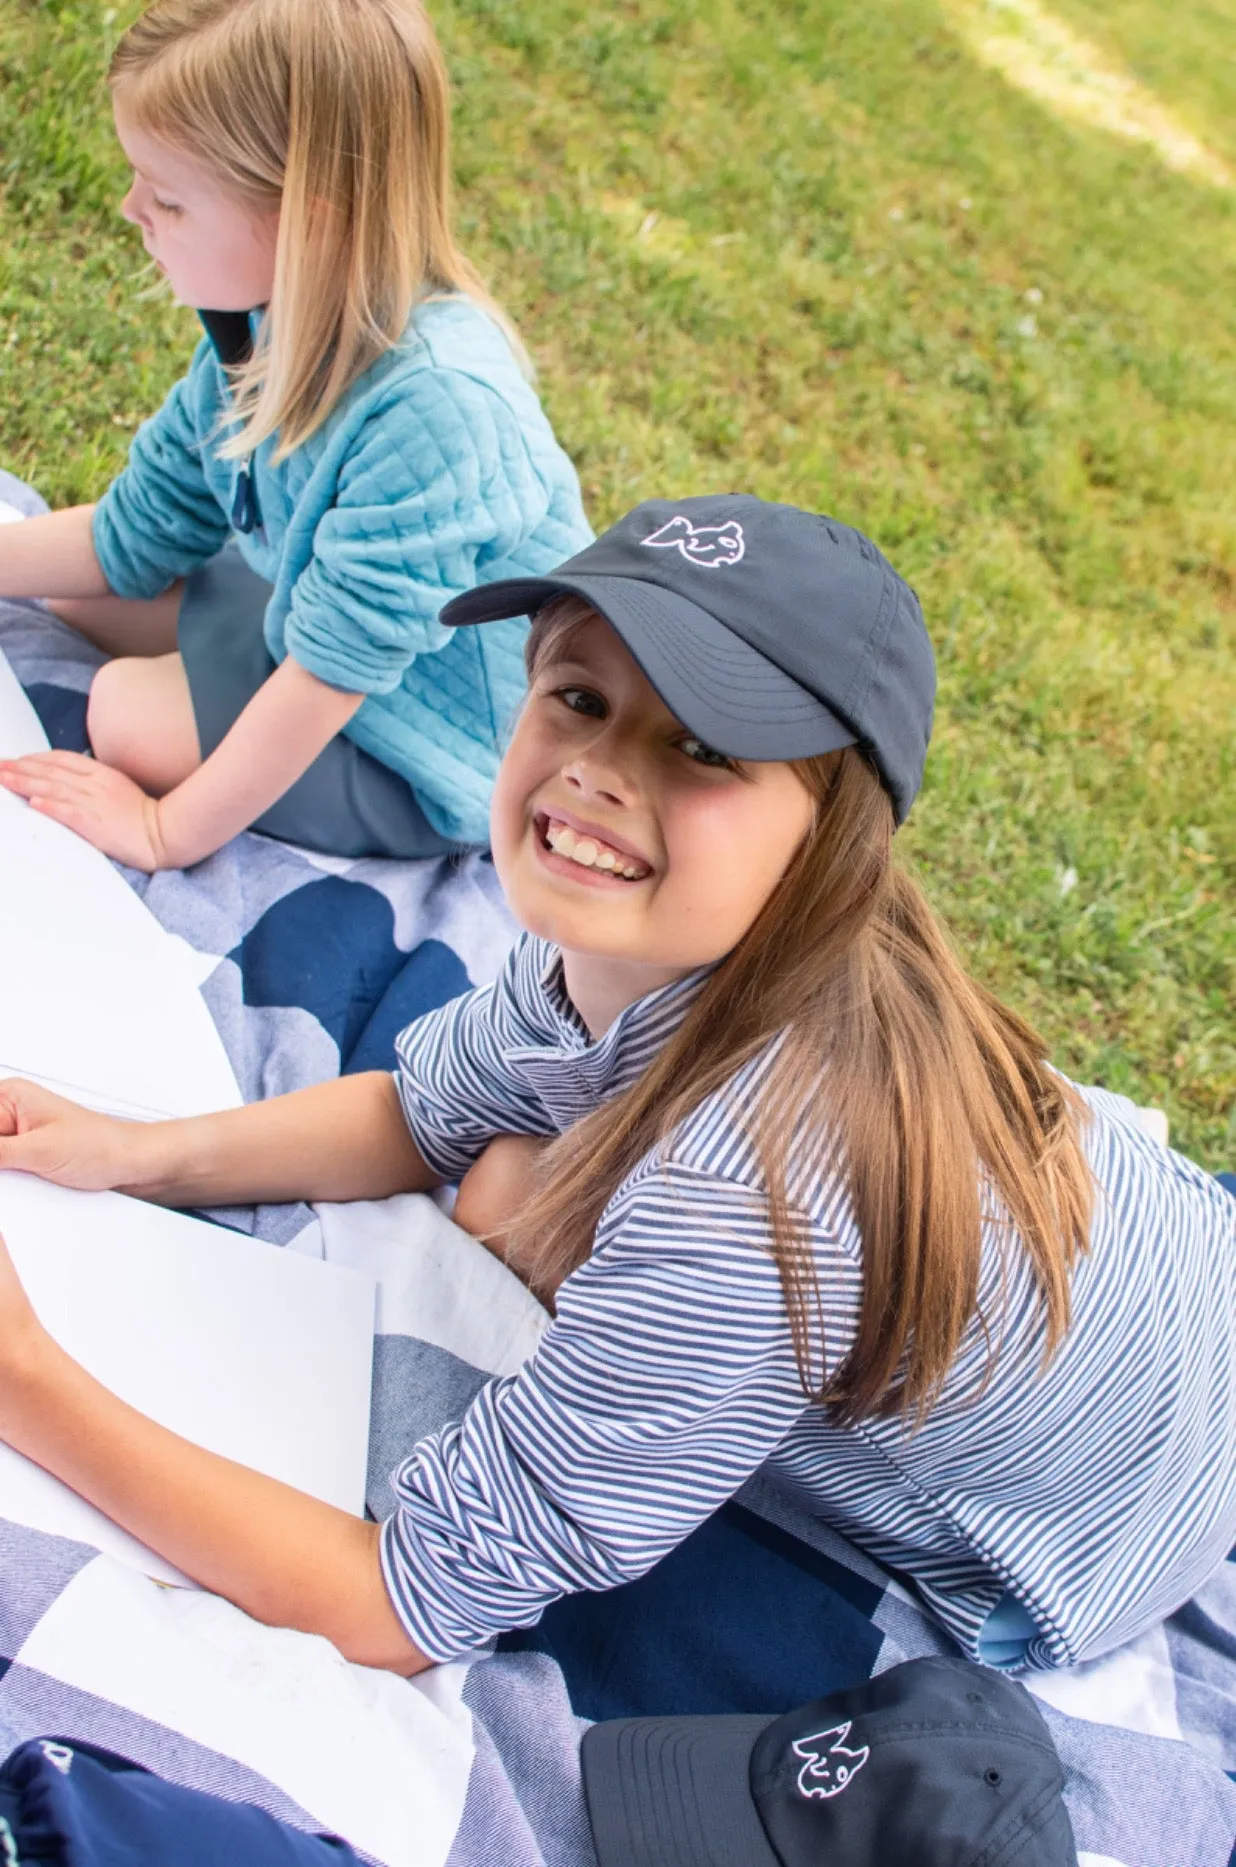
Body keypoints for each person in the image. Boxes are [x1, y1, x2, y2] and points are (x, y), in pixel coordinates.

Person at [0, 495, 1232, 1679]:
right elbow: (421, 1113)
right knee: (501, 1176)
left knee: (518, 1202)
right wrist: (127, 1149)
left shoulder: (747, 1203)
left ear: (833, 838)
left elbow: (397, 1601)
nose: (595, 769)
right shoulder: (647, 939)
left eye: (704, 744)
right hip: (1168, 1255)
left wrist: (30, 1378)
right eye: (579, 698)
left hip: (1132, 1499)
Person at [0, 0, 590, 867]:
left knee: (126, 714)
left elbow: (331, 677)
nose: (130, 210)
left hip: (441, 739)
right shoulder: (260, 325)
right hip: (302, 619)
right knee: (72, 592)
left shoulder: (439, 410)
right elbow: (130, 536)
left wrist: (163, 831)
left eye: (166, 196)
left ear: (305, 221)